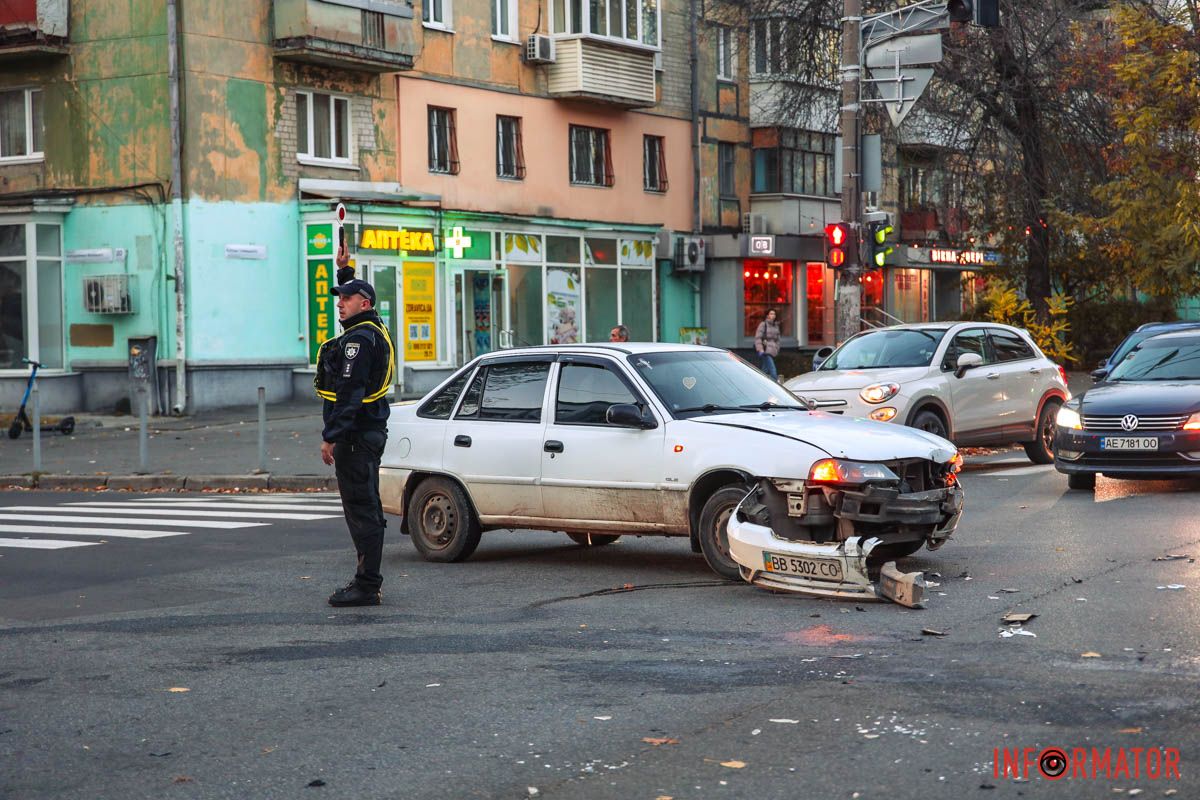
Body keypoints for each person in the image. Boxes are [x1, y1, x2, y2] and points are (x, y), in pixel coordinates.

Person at [316, 243, 396, 607]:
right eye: (339, 298)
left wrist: (331, 436)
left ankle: (366, 585)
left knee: (362, 511)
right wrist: (344, 270)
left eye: (347, 299)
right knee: (367, 507)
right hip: (368, 432)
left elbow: (349, 393)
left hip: (356, 436)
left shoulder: (359, 341)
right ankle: (368, 581)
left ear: (364, 304)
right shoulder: (370, 328)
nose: (340, 303)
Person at [754, 309, 781, 381]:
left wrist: (777, 348)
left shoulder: (776, 326)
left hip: (773, 350)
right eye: (771, 314)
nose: (773, 315)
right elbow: (758, 337)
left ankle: (758, 382)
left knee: (764, 370)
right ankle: (775, 385)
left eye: (774, 314)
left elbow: (778, 339)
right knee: (773, 370)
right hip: (765, 350)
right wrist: (760, 349)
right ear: (767, 315)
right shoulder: (763, 324)